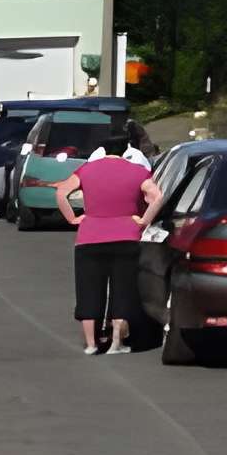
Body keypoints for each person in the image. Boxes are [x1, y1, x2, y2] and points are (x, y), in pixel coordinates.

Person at [57, 127, 161, 355]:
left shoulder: (87, 170)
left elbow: (61, 192)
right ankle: (116, 343)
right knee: (123, 290)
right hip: (127, 237)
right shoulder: (138, 171)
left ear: (102, 149)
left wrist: (72, 218)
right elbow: (157, 197)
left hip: (89, 237)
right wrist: (144, 220)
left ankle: (91, 344)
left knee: (88, 290)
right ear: (127, 149)